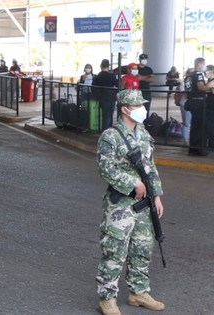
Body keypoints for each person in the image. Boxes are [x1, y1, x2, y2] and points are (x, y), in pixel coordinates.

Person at [96, 89, 165, 315]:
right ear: (125, 109)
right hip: (120, 204)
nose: (142, 110)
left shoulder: (143, 133)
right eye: (138, 106)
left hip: (144, 204)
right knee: (114, 249)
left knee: (142, 247)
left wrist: (156, 195)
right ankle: (107, 298)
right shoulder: (111, 136)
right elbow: (105, 169)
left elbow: (151, 167)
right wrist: (132, 183)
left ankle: (138, 292)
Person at [185, 57, 210, 156]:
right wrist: (210, 86)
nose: (204, 66)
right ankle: (199, 149)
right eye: (203, 64)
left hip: (191, 101)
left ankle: (193, 149)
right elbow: (200, 87)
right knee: (200, 126)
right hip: (199, 101)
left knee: (195, 126)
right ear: (199, 64)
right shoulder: (199, 74)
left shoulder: (189, 76)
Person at [92, 59, 118, 131]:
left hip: (102, 97)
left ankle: (104, 131)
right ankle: (107, 132)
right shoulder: (111, 76)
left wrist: (97, 97)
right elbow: (118, 84)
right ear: (108, 66)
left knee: (105, 116)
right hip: (111, 98)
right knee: (109, 116)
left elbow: (93, 87)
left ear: (101, 66)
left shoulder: (98, 76)